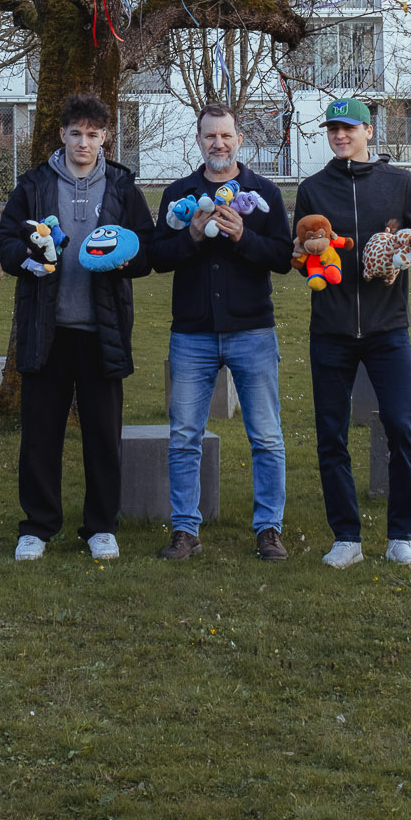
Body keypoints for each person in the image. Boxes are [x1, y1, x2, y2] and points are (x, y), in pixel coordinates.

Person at [0, 93, 153, 563]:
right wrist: (26, 261)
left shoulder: (122, 186)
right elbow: (4, 240)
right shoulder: (34, 184)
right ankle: (37, 527)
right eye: (76, 133)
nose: (84, 142)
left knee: (103, 436)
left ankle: (101, 527)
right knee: (40, 436)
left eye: (93, 134)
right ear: (62, 133)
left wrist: (124, 262)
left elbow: (148, 250)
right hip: (47, 329)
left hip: (103, 331)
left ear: (105, 137)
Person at [295, 95, 411, 569]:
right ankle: (346, 538)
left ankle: (402, 536)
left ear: (368, 132)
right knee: (331, 435)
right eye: (333, 129)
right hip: (331, 330)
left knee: (401, 428)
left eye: (349, 128)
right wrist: (304, 257)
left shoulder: (400, 183)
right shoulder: (313, 188)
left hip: (387, 329)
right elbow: (301, 250)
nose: (340, 136)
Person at [151, 102, 293, 561]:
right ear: (198, 140)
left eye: (226, 135)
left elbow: (282, 258)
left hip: (252, 330)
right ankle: (185, 530)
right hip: (192, 333)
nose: (218, 143)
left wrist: (242, 236)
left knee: (266, 436)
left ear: (239, 140)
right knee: (184, 436)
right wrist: (191, 237)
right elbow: (157, 258)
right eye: (210, 136)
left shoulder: (263, 193)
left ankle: (269, 529)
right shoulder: (178, 194)